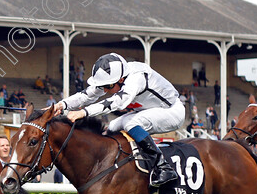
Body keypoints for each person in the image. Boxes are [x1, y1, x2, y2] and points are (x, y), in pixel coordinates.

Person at [53, 53, 183, 187]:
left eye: (107, 86)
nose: (104, 90)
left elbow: (116, 102)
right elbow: (86, 95)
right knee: (113, 126)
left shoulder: (136, 78)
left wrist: (83, 112)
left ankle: (163, 167)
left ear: (121, 79)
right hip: (147, 111)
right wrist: (60, 105)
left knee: (131, 123)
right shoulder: (116, 77)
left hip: (172, 111)